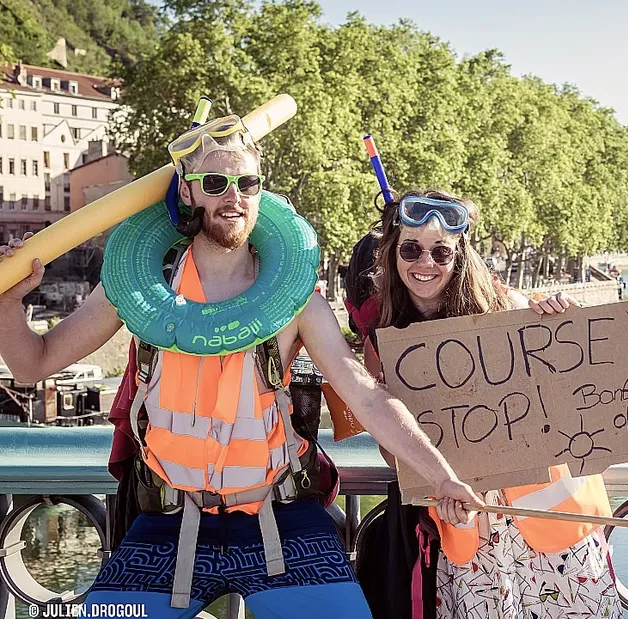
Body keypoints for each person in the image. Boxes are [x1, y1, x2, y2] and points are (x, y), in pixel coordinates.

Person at [0, 121, 481, 618]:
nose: (233, 197)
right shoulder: (142, 287)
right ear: (188, 192)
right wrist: (9, 301)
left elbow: (365, 394)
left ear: (261, 190)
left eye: (247, 183)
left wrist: (441, 476)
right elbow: (32, 363)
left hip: (281, 516)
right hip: (170, 522)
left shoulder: (295, 300)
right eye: (215, 183)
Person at [346, 190, 624, 619]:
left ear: (459, 256)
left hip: (559, 530)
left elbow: (585, 379)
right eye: (411, 249)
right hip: (471, 535)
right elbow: (392, 453)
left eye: (441, 252)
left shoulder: (509, 311)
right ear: (393, 254)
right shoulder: (382, 347)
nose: (425, 263)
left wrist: (565, 320)